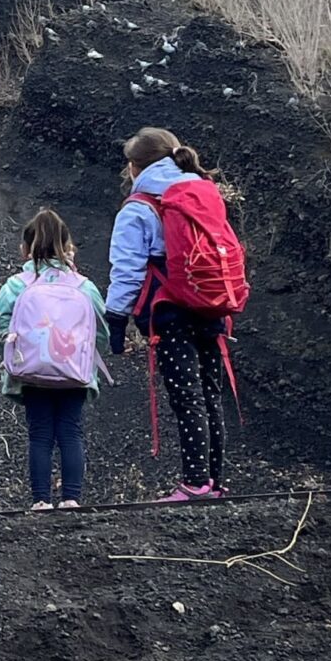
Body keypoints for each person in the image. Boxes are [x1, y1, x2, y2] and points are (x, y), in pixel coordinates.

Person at [105, 128, 234, 502]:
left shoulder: (139, 208)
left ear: (135, 166)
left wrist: (117, 319)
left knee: (186, 396)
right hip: (211, 304)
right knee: (210, 394)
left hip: (169, 311)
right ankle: (213, 482)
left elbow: (127, 271)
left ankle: (194, 484)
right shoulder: (201, 192)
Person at [0, 208, 109, 510]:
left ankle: (41, 500)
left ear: (25, 249)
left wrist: (19, 352)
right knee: (71, 431)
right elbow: (101, 331)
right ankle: (71, 498)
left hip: (31, 373)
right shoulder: (84, 286)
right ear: (68, 246)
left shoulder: (16, 285)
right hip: (73, 372)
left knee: (40, 434)